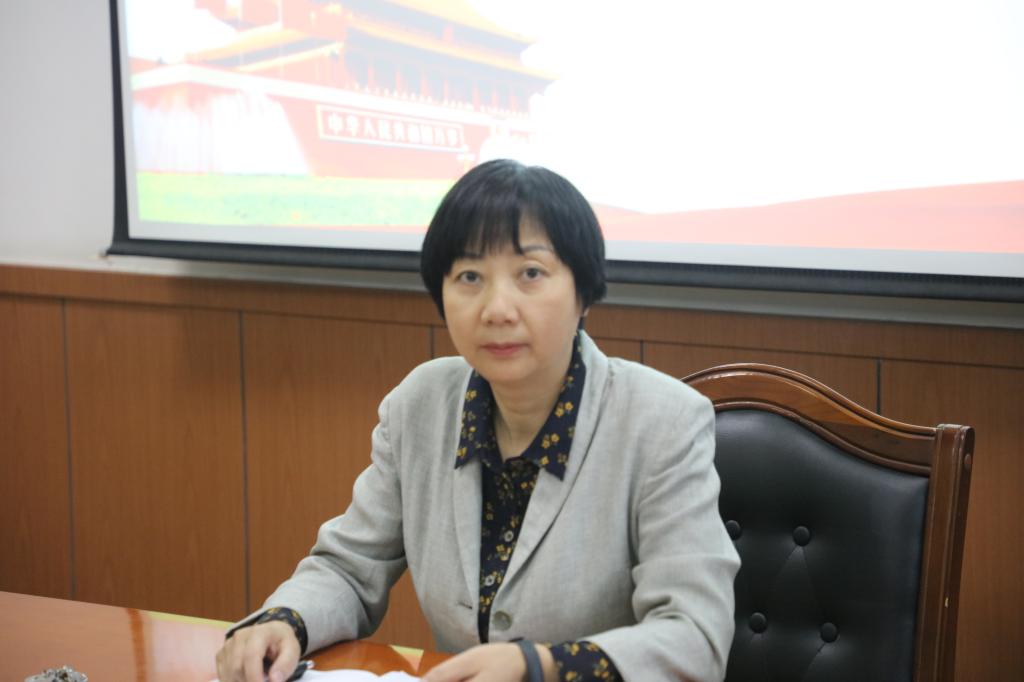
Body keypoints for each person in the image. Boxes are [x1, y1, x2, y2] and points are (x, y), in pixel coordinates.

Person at [215, 159, 739, 682]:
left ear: (584, 293)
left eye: (530, 274)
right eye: (470, 277)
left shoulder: (661, 421)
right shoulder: (420, 405)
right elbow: (348, 568)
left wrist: (540, 667)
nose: (496, 309)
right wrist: (285, 621)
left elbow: (695, 635)